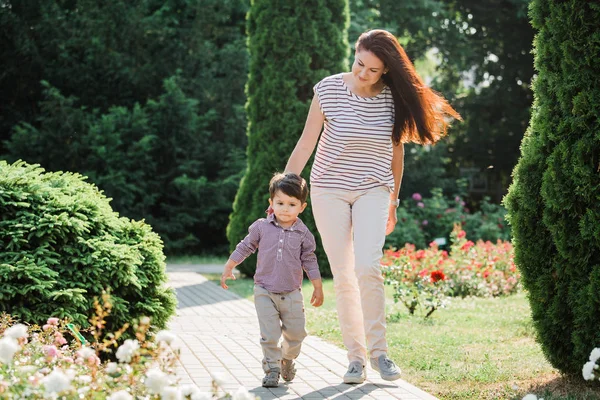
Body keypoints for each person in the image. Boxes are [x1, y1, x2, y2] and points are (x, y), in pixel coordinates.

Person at [284, 29, 461, 384]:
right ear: (355, 53)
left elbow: (397, 154)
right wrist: (286, 187)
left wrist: (393, 201)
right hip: (328, 189)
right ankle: (355, 359)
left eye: (373, 70)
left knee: (367, 265)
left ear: (386, 72)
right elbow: (306, 144)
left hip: (373, 190)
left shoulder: (392, 100)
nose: (363, 73)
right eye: (359, 63)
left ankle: (380, 353)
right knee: (345, 275)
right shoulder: (328, 90)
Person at [221, 172, 324, 388]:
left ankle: (287, 358)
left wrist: (317, 285)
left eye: (292, 204)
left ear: (302, 207)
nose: (285, 208)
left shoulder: (303, 234)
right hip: (264, 290)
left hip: (292, 293)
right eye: (280, 202)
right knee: (269, 335)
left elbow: (310, 260)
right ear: (271, 203)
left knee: (297, 334)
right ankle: (272, 369)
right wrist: (230, 265)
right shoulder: (261, 227)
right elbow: (245, 246)